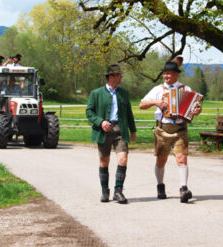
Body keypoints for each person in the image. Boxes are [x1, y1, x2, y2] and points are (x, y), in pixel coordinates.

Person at [139, 56, 202, 203]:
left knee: (182, 158)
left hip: (180, 128)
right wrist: (156, 102)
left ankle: (183, 188)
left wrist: (197, 110)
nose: (166, 76)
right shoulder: (157, 89)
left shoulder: (186, 89)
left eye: (169, 73)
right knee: (161, 160)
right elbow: (142, 104)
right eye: (165, 73)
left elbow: (194, 109)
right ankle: (160, 186)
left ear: (176, 75)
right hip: (162, 129)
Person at [86, 64, 137, 204]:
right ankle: (105, 191)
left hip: (120, 131)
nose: (121, 77)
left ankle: (118, 191)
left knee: (123, 159)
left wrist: (133, 130)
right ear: (111, 77)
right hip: (103, 131)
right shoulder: (96, 93)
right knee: (104, 162)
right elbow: (89, 112)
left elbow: (129, 113)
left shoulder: (124, 93)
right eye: (118, 75)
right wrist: (101, 122)